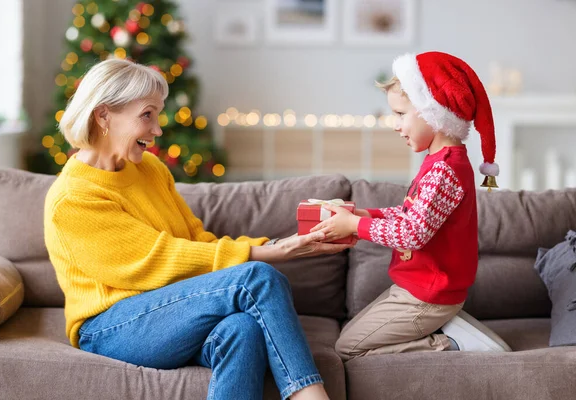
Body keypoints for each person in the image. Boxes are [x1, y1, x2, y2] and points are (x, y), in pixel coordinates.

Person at [44, 58, 355, 400]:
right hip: (109, 327)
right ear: (104, 115)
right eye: (147, 115)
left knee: (243, 329)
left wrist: (283, 243)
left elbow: (195, 241)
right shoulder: (73, 198)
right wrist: (273, 252)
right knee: (258, 277)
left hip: (169, 315)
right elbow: (156, 259)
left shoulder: (150, 169)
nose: (158, 129)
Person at [310, 51, 512, 359]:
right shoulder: (438, 162)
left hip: (426, 296)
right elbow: (413, 216)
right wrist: (364, 214)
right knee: (352, 334)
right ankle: (445, 328)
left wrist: (355, 226)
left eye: (402, 114)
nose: (395, 124)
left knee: (347, 347)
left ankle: (450, 343)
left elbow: (412, 233)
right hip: (415, 289)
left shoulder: (445, 168)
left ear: (434, 113)